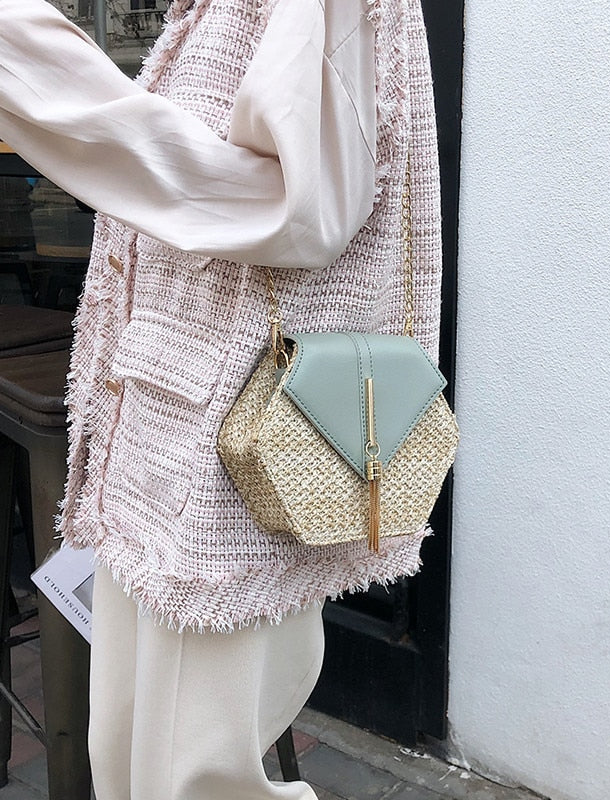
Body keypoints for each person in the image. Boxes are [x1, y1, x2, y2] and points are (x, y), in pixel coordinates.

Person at [0, 0, 443, 798]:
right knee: (130, 753)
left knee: (189, 775)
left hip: (229, 456)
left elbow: (299, 205)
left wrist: (31, 71)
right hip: (163, 441)